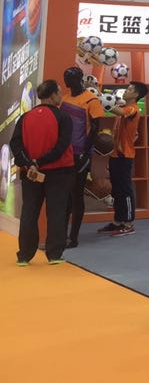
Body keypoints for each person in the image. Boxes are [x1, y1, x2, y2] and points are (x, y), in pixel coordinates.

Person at [10, 79, 76, 265]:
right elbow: (61, 147)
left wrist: (29, 163)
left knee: (29, 212)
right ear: (53, 95)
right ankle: (54, 254)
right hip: (59, 172)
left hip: (30, 173)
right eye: (59, 92)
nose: (61, 96)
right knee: (56, 212)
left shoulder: (25, 117)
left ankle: (24, 255)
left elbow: (16, 144)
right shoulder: (63, 117)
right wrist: (38, 162)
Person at [60, 66, 108, 249]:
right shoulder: (65, 98)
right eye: (65, 77)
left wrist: (85, 152)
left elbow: (95, 129)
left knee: (76, 195)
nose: (67, 81)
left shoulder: (91, 100)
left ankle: (73, 237)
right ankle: (61, 234)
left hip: (81, 154)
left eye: (70, 77)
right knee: (65, 196)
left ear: (79, 78)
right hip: (65, 153)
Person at [101, 80, 148, 237]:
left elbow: (120, 112)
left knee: (125, 190)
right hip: (115, 155)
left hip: (124, 155)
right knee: (116, 190)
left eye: (129, 89)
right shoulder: (124, 106)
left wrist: (101, 99)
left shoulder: (133, 109)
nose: (126, 91)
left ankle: (128, 223)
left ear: (136, 94)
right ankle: (118, 221)